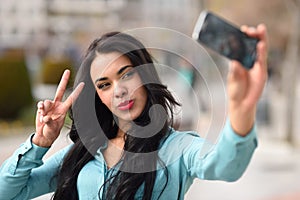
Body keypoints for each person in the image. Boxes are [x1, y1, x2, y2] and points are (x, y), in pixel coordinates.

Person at [0, 24, 268, 200]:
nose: (119, 91)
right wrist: (39, 143)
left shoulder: (177, 148)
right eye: (104, 85)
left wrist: (241, 109)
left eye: (126, 74)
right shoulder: (82, 154)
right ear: (98, 98)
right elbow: (8, 191)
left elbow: (225, 166)